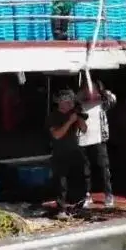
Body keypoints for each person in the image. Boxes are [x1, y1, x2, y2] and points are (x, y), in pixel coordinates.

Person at [47, 89, 88, 219]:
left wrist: (79, 117)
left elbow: (84, 129)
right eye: (67, 101)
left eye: (71, 101)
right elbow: (57, 135)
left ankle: (77, 206)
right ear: (61, 103)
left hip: (74, 150)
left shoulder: (74, 113)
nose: (70, 104)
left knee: (79, 179)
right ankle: (61, 209)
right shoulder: (53, 116)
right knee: (61, 183)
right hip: (60, 152)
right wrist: (70, 121)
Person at [76, 81, 117, 209]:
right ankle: (87, 195)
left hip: (99, 138)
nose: (90, 91)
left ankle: (108, 194)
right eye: (87, 88)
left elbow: (113, 99)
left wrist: (103, 92)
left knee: (104, 167)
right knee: (86, 169)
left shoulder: (102, 102)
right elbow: (73, 104)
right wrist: (81, 95)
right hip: (83, 139)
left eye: (92, 88)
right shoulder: (80, 103)